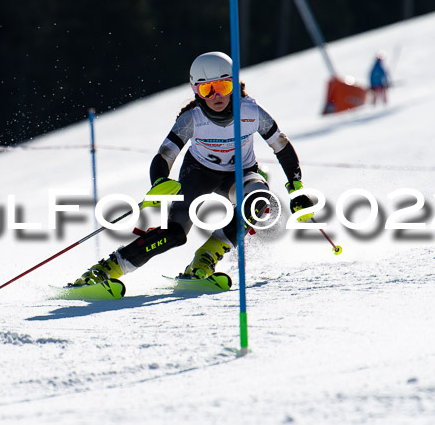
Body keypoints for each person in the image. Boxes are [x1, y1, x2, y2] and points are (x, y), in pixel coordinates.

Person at [70, 51, 314, 287]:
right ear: (196, 91)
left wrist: (296, 188)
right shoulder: (192, 118)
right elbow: (165, 155)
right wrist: (159, 182)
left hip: (240, 174)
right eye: (207, 89)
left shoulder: (251, 113)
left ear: (235, 85)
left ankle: (205, 259)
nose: (217, 96)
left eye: (224, 87)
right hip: (198, 174)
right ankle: (107, 269)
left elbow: (282, 147)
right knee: (174, 234)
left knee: (259, 200)